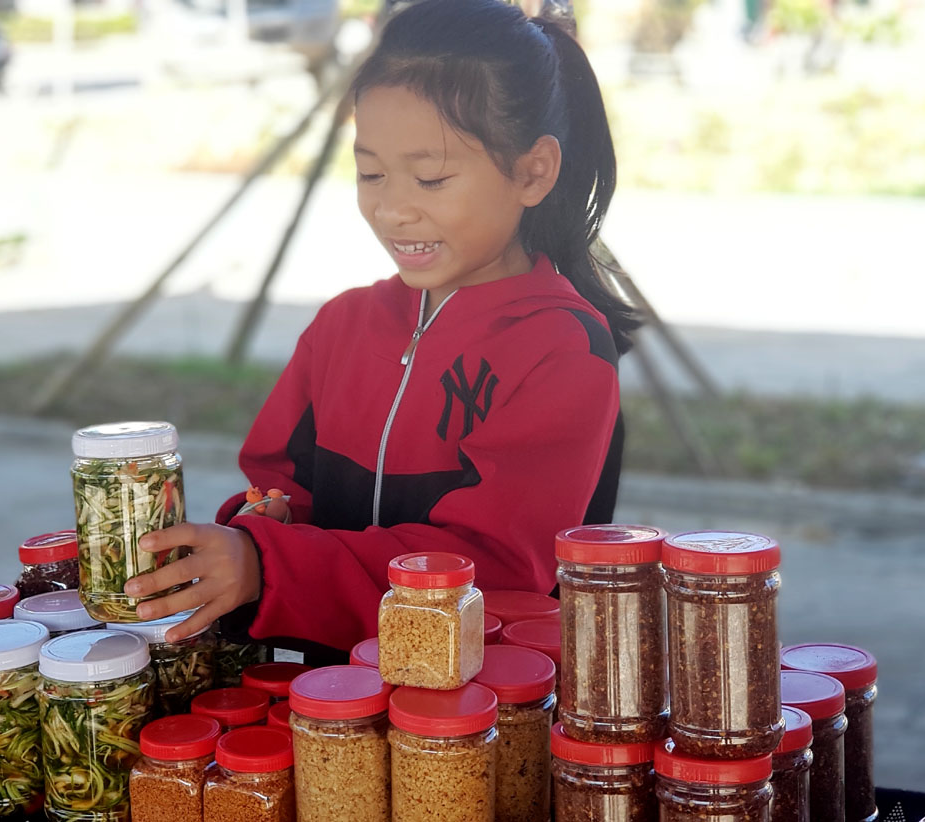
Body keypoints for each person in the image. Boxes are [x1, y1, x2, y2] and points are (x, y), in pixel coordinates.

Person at [125, 0, 639, 662]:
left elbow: (496, 567)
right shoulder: (343, 324)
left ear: (532, 172)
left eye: (431, 176)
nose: (392, 207)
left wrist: (268, 565)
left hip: (477, 716)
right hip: (331, 708)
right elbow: (278, 481)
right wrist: (255, 528)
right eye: (370, 172)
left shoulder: (562, 349)